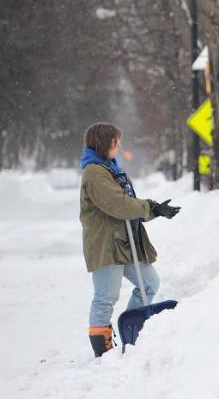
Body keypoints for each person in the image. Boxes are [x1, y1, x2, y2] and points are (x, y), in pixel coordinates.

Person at [79, 123, 180, 357]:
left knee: (149, 283)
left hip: (124, 244)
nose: (119, 145)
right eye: (115, 141)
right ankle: (103, 347)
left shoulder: (110, 169)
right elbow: (119, 205)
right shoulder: (94, 173)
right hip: (106, 245)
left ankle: (134, 326)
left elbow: (127, 203)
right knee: (106, 297)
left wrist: (155, 209)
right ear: (104, 143)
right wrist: (150, 207)